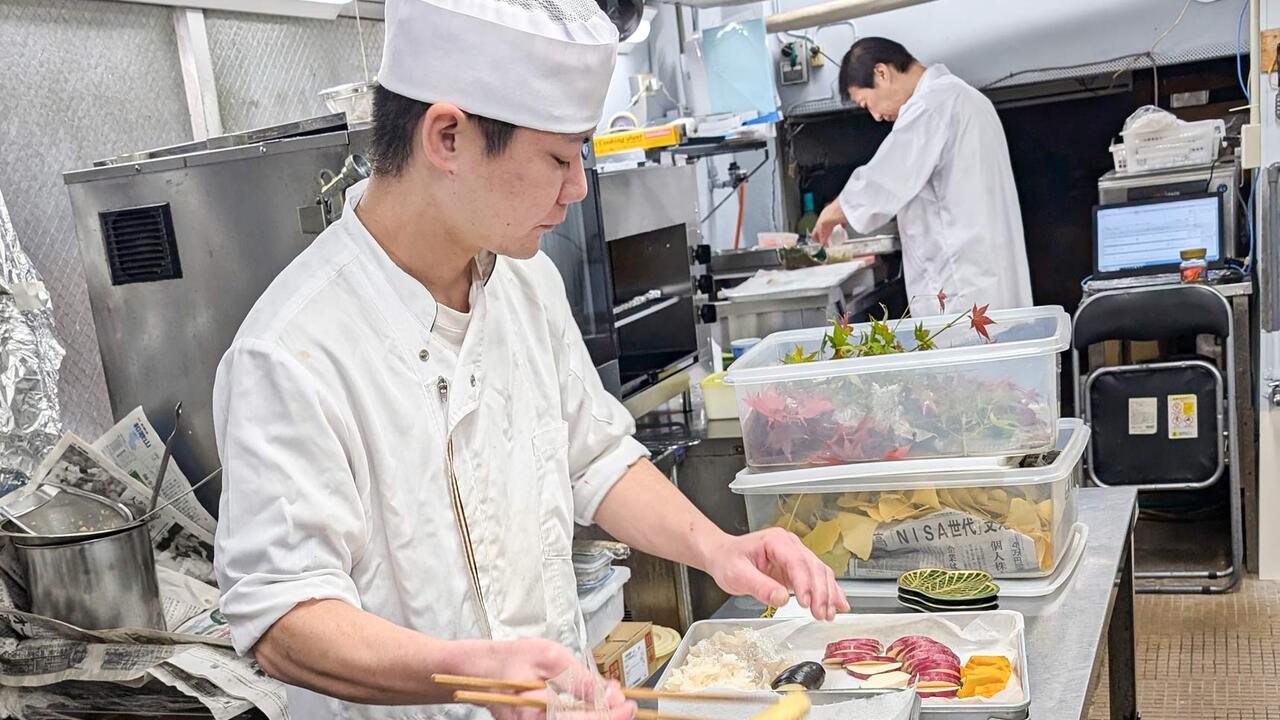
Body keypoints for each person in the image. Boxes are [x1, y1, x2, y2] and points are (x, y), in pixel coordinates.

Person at [211, 1, 848, 719]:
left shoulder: (525, 280)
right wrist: (468, 671)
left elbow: (594, 458)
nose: (577, 187)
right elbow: (285, 620)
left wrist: (718, 547)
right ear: (447, 137)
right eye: (558, 158)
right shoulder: (290, 351)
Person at [812, 37, 1032, 317]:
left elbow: (885, 179)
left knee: (966, 345)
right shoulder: (968, 98)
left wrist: (834, 211)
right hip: (986, 276)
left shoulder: (932, 105)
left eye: (866, 103)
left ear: (881, 73)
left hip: (962, 287)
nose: (875, 116)